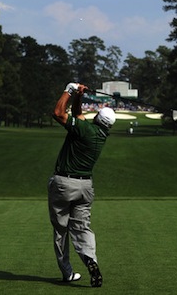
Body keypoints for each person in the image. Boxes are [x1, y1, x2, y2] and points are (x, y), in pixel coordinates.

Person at [47, 82, 116, 287]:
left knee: (61, 229)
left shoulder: (85, 130)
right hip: (85, 188)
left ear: (97, 118)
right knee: (82, 228)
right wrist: (79, 96)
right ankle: (90, 260)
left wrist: (68, 90)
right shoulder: (99, 134)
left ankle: (67, 272)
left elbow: (58, 113)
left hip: (63, 184)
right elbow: (78, 116)